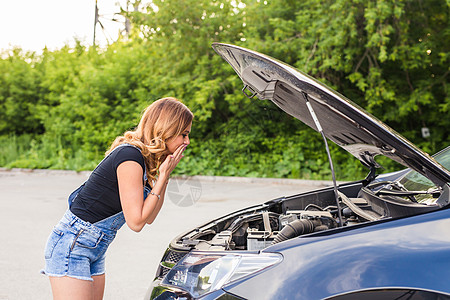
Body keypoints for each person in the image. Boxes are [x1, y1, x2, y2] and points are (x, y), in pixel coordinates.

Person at [41, 97, 193, 299]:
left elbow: (150, 216)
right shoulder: (130, 157)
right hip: (73, 244)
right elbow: (136, 222)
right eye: (184, 134)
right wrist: (163, 175)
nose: (187, 141)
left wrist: (165, 177)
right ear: (167, 129)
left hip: (94, 247)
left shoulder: (144, 161)